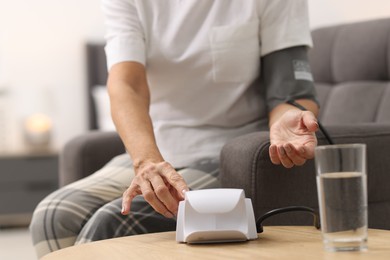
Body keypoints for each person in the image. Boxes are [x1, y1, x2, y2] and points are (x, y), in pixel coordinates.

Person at [30, 0, 319, 258]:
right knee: (54, 216)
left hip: (233, 154)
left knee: (113, 223)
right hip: (160, 151)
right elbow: (126, 84)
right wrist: (147, 161)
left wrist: (289, 119)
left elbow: (291, 92)